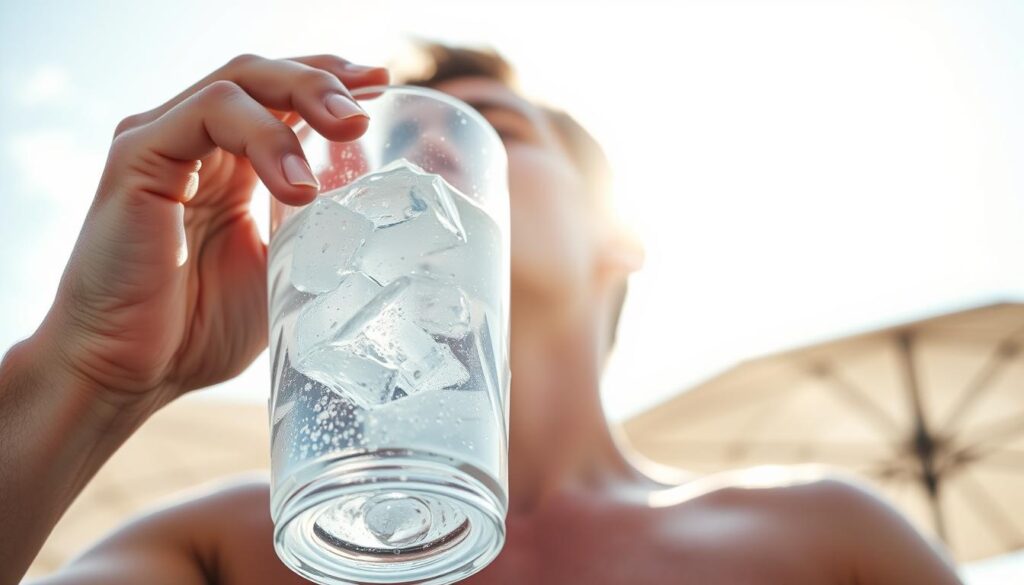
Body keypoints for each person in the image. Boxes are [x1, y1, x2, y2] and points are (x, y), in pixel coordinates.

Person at [0, 46, 962, 585]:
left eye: (493, 134)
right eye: (396, 145)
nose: (423, 163)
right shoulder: (219, 548)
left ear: (617, 234)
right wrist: (89, 375)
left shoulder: (833, 540)